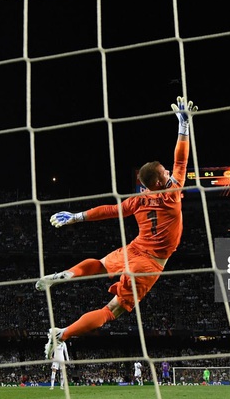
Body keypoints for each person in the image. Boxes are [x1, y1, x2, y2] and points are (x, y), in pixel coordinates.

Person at [37, 97, 197, 357]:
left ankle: (69, 273)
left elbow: (109, 211)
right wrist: (184, 126)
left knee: (100, 265)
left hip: (134, 249)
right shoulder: (173, 193)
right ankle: (61, 334)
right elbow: (181, 161)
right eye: (164, 172)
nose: (169, 172)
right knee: (112, 310)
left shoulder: (136, 201)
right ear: (159, 180)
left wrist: (77, 216)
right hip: (149, 263)